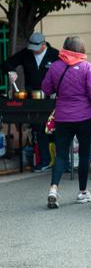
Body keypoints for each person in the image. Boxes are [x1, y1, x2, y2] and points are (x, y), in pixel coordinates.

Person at [41, 36, 91, 209]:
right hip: (84, 118)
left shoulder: (55, 66)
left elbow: (46, 89)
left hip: (62, 118)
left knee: (60, 155)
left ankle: (53, 188)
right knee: (84, 154)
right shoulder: (87, 67)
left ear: (65, 48)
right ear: (81, 49)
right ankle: (82, 192)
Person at [2, 32, 59, 171]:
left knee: (55, 129)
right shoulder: (26, 53)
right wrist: (11, 72)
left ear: (44, 45)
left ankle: (61, 162)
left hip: (51, 97)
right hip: (33, 97)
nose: (33, 49)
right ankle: (45, 160)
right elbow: (6, 64)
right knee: (39, 129)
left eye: (36, 47)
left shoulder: (55, 54)